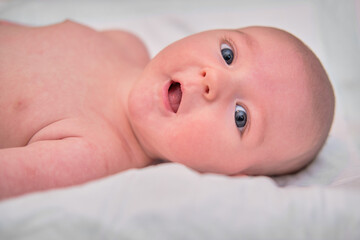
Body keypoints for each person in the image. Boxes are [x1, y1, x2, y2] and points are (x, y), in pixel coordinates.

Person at [0, 20, 335, 199]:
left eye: (240, 117)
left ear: (230, 177)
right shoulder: (124, 42)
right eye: (228, 54)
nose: (212, 80)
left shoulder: (90, 156)